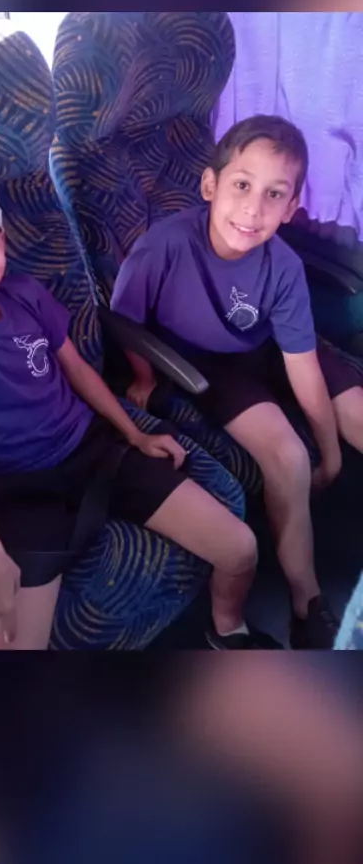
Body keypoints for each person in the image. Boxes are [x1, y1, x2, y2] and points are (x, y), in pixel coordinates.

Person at [0, 157, 279, 651]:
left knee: (240, 547)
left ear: (2, 239)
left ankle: (228, 631)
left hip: (92, 449)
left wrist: (134, 433)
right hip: (13, 488)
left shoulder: (25, 294)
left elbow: (76, 369)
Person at [111, 115, 363, 649]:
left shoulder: (283, 266)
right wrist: (144, 376)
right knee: (288, 457)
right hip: (213, 364)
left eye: (275, 194)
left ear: (291, 208)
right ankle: (307, 602)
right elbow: (123, 322)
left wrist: (332, 454)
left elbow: (301, 365)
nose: (254, 209)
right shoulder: (164, 246)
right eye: (242, 185)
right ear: (211, 185)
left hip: (269, 343)